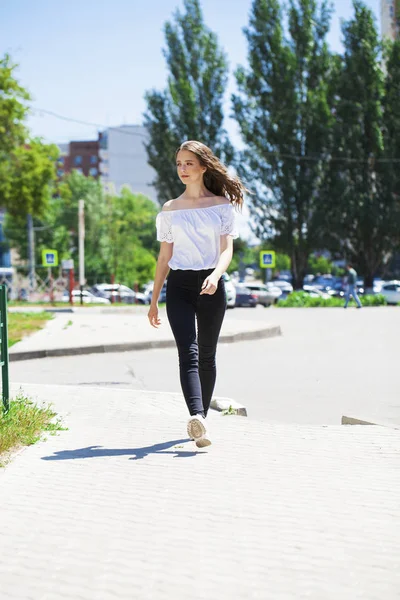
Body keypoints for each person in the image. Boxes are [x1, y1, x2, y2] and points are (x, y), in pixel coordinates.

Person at [148, 140, 247, 448]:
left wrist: (216, 276)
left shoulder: (220, 205)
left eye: (189, 163)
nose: (183, 169)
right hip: (178, 287)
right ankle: (197, 417)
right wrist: (153, 301)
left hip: (212, 285)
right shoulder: (170, 210)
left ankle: (200, 420)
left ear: (204, 166)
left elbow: (226, 250)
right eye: (179, 164)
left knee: (206, 355)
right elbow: (164, 258)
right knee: (187, 354)